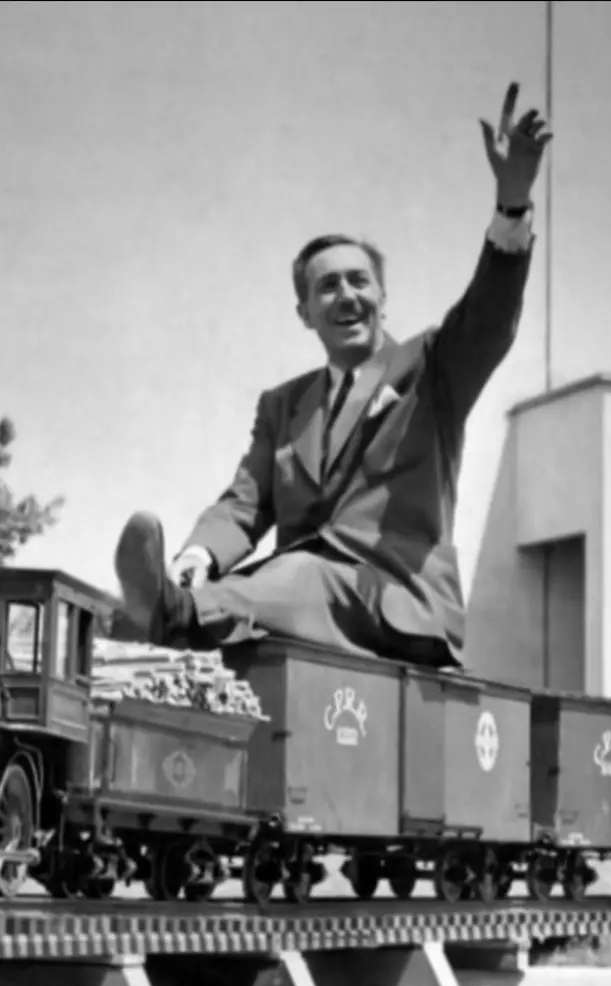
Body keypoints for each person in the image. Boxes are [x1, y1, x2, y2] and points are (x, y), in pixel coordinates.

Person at [111, 82, 551, 670]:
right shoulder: (282, 407)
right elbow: (244, 505)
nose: (346, 295)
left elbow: (488, 318)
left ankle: (176, 615)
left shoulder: (431, 369)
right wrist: (196, 559)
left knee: (299, 574)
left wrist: (513, 202)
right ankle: (168, 609)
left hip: (396, 600)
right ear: (304, 313)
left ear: (383, 297)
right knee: (259, 586)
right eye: (327, 286)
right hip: (299, 603)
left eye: (359, 281)